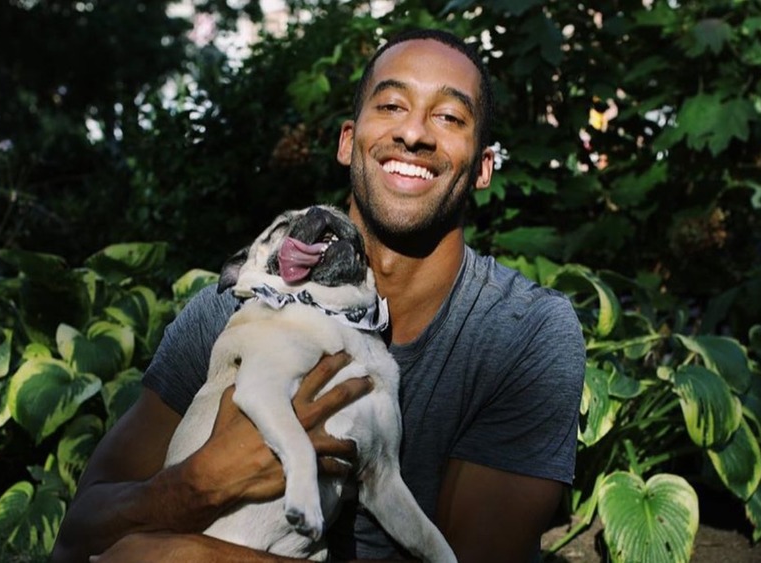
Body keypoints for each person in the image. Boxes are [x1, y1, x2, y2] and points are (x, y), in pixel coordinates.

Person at [51, 27, 585, 563]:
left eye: (449, 116)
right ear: (348, 141)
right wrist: (200, 483)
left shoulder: (522, 333)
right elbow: (78, 539)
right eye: (393, 105)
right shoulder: (234, 312)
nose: (415, 133)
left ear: (484, 168)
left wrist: (191, 557)